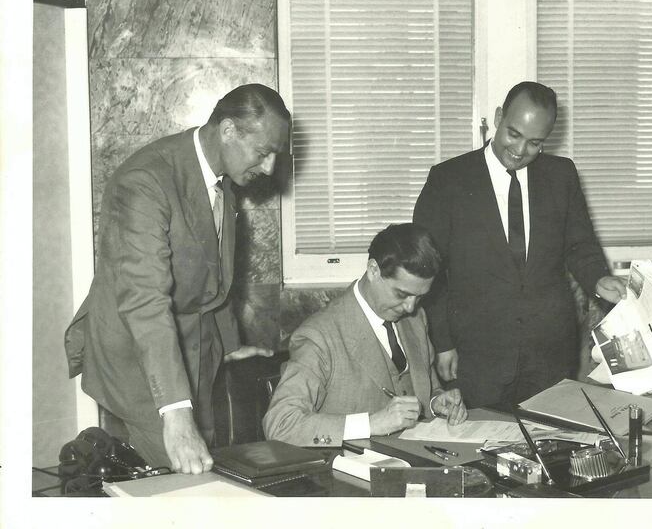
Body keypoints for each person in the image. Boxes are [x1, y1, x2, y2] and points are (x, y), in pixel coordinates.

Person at [64, 84, 291, 474]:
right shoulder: (144, 182)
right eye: (264, 152)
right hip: (138, 350)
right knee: (182, 471)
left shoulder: (224, 178)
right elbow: (144, 300)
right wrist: (174, 410)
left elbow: (212, 277)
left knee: (203, 458)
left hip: (192, 341)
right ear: (228, 131)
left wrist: (231, 344)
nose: (270, 168)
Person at [413, 81, 626, 409]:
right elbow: (429, 270)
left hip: (549, 354)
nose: (520, 150)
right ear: (499, 117)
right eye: (514, 134)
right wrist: (442, 343)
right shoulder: (449, 180)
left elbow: (580, 245)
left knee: (551, 448)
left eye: (535, 143)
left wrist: (599, 279)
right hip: (475, 355)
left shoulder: (561, 175)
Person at [264, 223, 467, 446]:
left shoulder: (416, 320)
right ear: (373, 271)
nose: (410, 307)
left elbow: (424, 388)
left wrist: (436, 402)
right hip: (345, 469)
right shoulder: (319, 336)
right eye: (401, 294)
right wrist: (371, 424)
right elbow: (280, 425)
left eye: (419, 297)